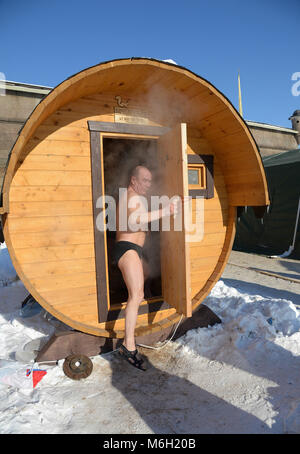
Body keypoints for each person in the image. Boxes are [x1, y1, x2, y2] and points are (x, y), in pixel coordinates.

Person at [113, 165, 178, 370]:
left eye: (150, 181)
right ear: (134, 180)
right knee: (136, 295)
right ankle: (128, 345)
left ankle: (145, 294)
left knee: (147, 272)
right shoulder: (133, 197)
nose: (148, 185)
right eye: (145, 180)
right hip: (127, 249)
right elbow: (135, 219)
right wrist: (166, 210)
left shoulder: (132, 197)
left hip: (133, 248)